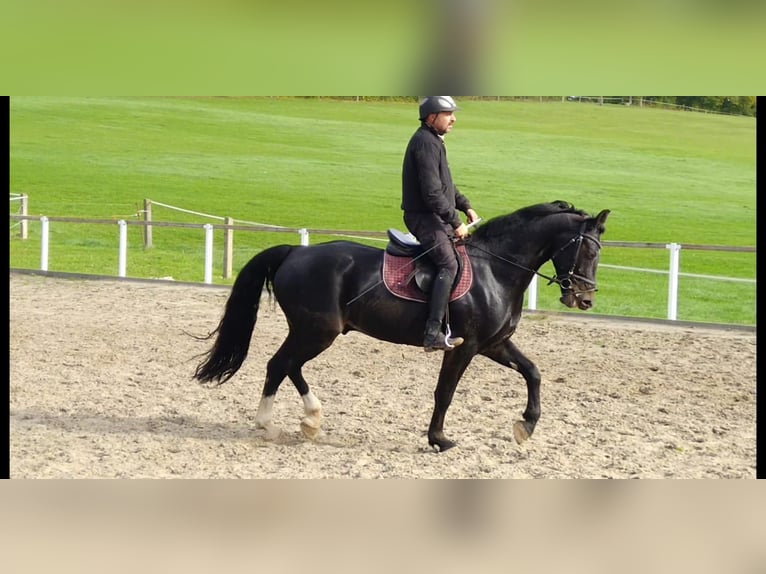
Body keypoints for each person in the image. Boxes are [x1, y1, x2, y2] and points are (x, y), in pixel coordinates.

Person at [401, 96, 480, 352]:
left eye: (453, 114)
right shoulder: (425, 142)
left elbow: (446, 185)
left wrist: (465, 205)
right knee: (448, 262)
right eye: (448, 114)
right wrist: (455, 222)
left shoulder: (434, 141)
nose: (454, 118)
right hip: (423, 217)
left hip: (434, 215)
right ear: (431, 117)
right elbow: (432, 193)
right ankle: (432, 332)